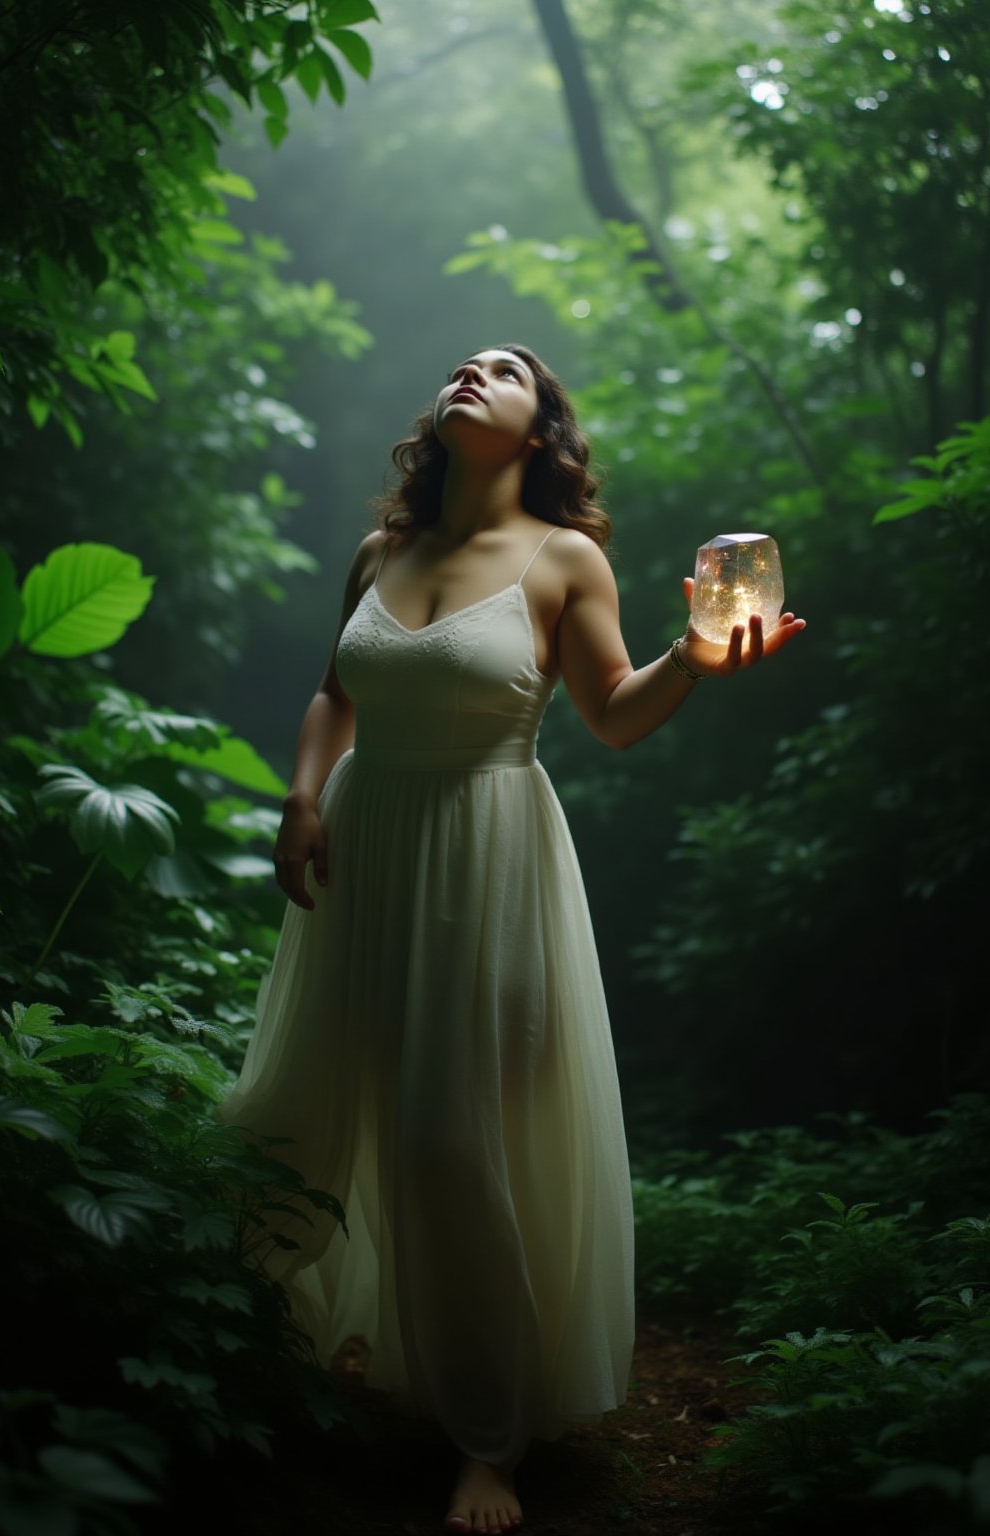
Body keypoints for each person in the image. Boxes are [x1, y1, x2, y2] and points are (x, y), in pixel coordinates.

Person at [215, 343, 805, 1536]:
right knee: (304, 1103)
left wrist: (692, 661)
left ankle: (488, 1442)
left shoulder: (563, 558)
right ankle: (248, 1365)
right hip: (367, 843)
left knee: (450, 1132)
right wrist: (302, 797)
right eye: (465, 364)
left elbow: (610, 717)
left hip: (489, 859)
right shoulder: (384, 552)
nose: (475, 372)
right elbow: (337, 691)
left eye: (507, 369)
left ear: (542, 430)